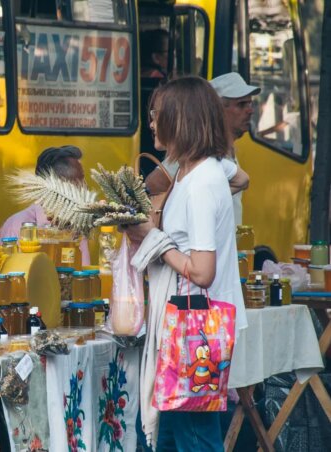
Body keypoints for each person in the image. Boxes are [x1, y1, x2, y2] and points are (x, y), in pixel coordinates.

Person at [126, 76, 247, 451]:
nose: (151, 123)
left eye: (157, 114)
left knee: (194, 438)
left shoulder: (202, 181)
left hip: (195, 330)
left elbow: (202, 270)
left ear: (181, 120)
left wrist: (156, 241)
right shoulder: (188, 174)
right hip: (184, 324)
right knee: (168, 434)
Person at [146, 72, 259, 225]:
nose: (250, 110)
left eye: (250, 104)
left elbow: (242, 181)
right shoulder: (197, 155)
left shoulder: (222, 151)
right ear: (217, 110)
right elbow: (154, 184)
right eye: (241, 104)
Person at [0, 145, 90, 265]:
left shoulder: (77, 227)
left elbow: (83, 273)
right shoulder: (17, 226)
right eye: (80, 180)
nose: (86, 187)